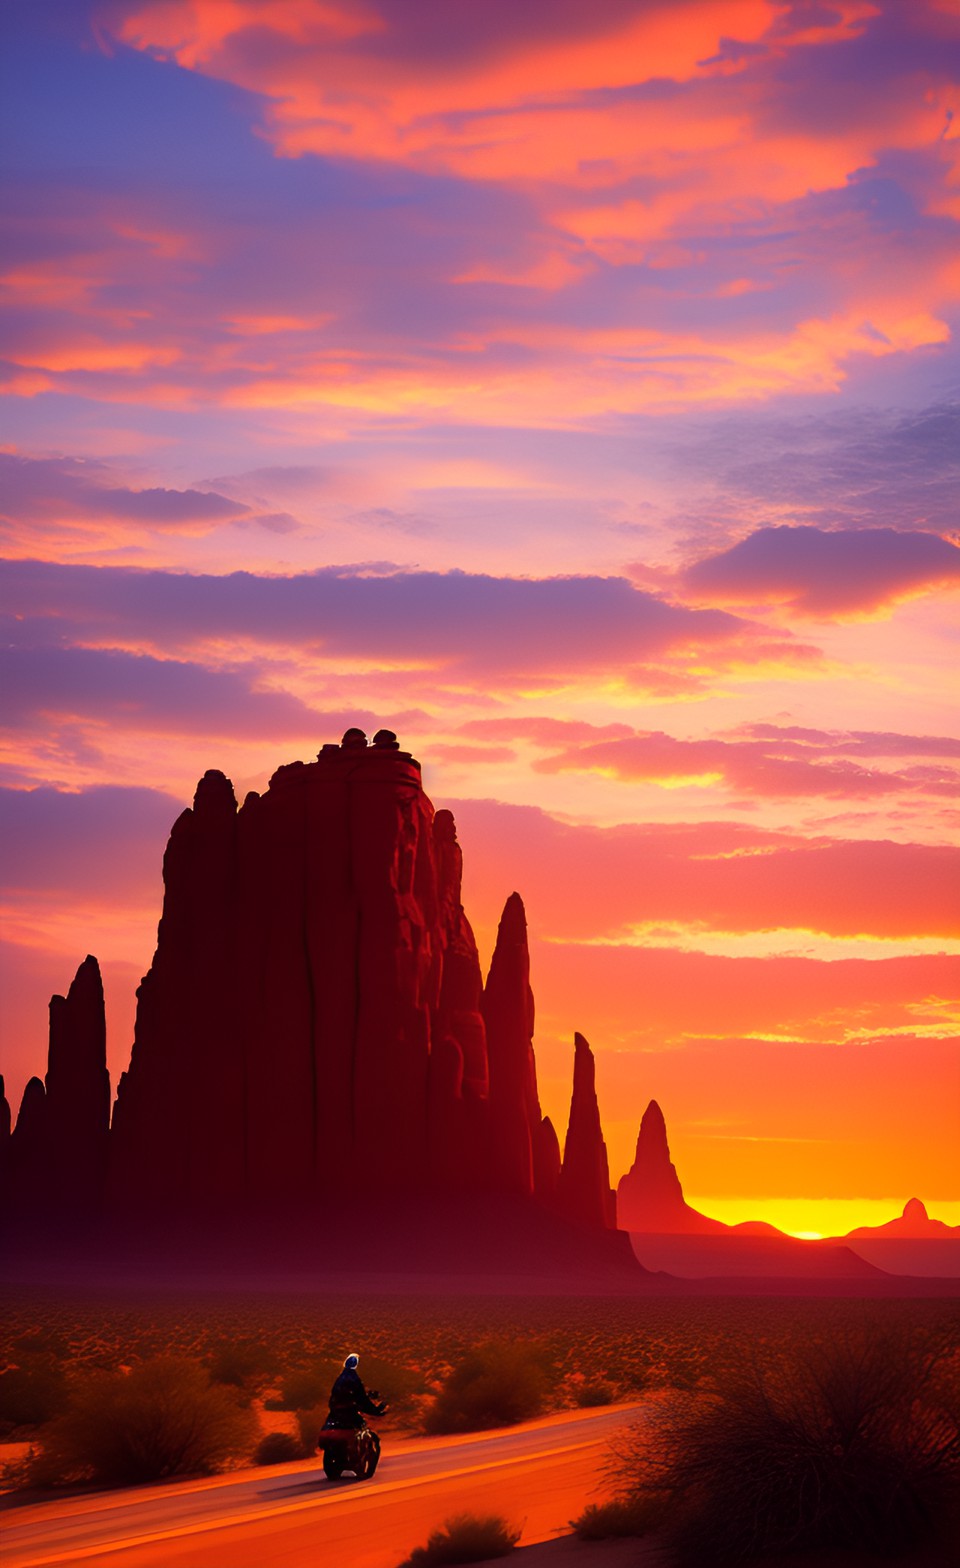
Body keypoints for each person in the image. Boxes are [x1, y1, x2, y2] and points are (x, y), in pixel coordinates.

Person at [327, 1353, 386, 1431]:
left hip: (335, 1414)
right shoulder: (354, 1379)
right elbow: (362, 1399)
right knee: (361, 1427)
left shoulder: (339, 1379)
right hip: (348, 1414)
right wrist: (375, 1411)